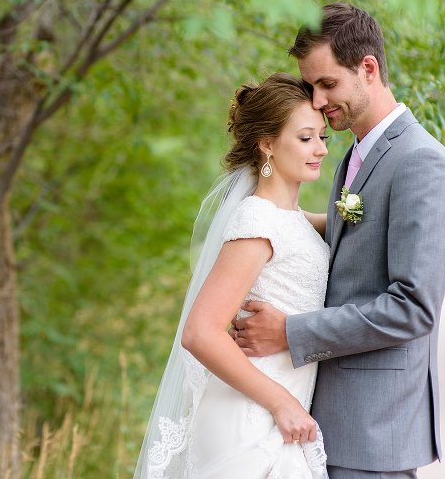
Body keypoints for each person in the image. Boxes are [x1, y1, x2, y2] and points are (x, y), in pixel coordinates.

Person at [232, 3, 445, 479]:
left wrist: (290, 331)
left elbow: (412, 308)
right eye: (312, 85)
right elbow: (355, 240)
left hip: (372, 428)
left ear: (369, 68)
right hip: (324, 417)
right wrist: (277, 225)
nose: (316, 100)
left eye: (327, 84)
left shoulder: (421, 163)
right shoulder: (358, 154)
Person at [134, 72, 331, 479]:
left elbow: (314, 227)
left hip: (277, 413)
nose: (320, 150)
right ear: (267, 145)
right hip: (252, 416)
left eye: (323, 138)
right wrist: (280, 403)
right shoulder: (257, 220)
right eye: (306, 138)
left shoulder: (287, 219)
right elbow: (200, 332)